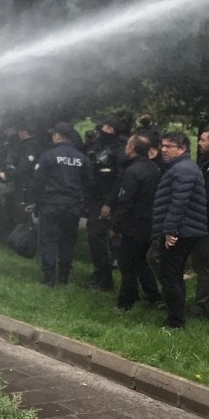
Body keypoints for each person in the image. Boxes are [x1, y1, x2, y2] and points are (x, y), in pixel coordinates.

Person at [152, 131, 208, 329]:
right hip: (184, 229)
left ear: (183, 148)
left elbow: (179, 202)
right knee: (174, 275)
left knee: (170, 276)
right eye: (163, 145)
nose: (164, 150)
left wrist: (170, 231)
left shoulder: (183, 169)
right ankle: (176, 316)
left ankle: (175, 322)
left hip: (180, 231)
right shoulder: (183, 167)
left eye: (169, 146)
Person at [29, 122, 94, 287]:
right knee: (68, 241)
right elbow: (90, 183)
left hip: (51, 204)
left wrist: (36, 202)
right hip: (72, 206)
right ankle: (64, 277)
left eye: (54, 134)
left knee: (49, 240)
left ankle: (49, 277)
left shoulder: (48, 156)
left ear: (57, 136)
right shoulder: (82, 158)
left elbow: (37, 182)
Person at [110, 134, 162, 311]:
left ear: (132, 148)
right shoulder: (155, 169)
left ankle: (126, 302)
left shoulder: (132, 171)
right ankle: (154, 295)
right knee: (140, 261)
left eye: (127, 145)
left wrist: (116, 227)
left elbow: (125, 202)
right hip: (149, 223)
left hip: (133, 225)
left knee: (127, 265)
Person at [85, 116, 127, 291]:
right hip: (95, 198)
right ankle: (100, 273)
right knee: (94, 237)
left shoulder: (119, 151)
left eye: (107, 127)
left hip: (107, 201)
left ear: (112, 130)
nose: (102, 129)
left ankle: (106, 280)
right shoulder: (100, 146)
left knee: (100, 237)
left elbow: (119, 180)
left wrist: (109, 203)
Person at [192, 127, 209, 319]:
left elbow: (206, 198)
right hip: (203, 223)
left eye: (204, 140)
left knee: (204, 265)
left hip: (207, 225)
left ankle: (202, 307)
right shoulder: (205, 163)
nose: (199, 142)